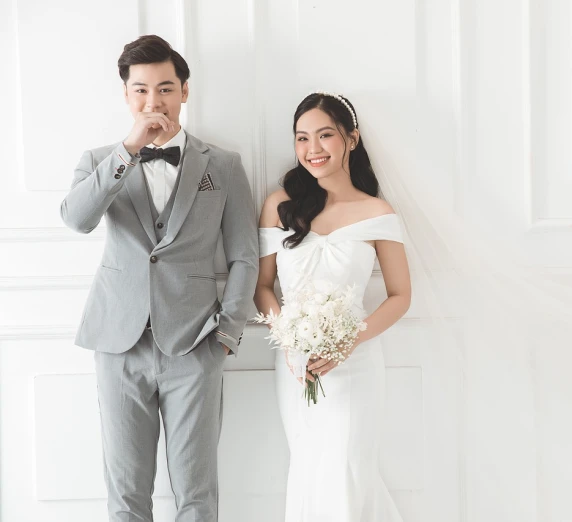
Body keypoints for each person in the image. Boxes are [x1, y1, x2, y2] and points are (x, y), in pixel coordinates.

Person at [60, 34, 259, 521]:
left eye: (166, 89)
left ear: (185, 92)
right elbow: (76, 219)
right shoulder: (98, 160)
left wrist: (227, 335)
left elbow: (244, 256)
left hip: (195, 343)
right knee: (126, 493)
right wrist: (129, 148)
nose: (155, 102)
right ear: (126, 95)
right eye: (141, 90)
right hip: (118, 341)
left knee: (196, 492)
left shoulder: (225, 166)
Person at [254, 92, 410, 522]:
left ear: (351, 139)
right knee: (310, 469)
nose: (313, 149)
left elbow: (400, 296)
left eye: (325, 135)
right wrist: (289, 339)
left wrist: (349, 343)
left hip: (356, 366)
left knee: (347, 469)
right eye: (302, 138)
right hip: (295, 365)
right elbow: (263, 287)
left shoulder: (377, 212)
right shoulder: (278, 205)